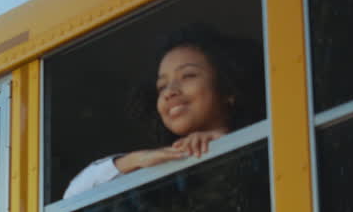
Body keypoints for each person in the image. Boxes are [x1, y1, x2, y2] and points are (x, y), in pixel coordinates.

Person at [63, 25, 264, 199]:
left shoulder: (263, 147)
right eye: (162, 86)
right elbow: (73, 195)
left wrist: (228, 141)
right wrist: (138, 160)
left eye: (188, 76)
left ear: (228, 88)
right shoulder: (165, 172)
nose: (170, 92)